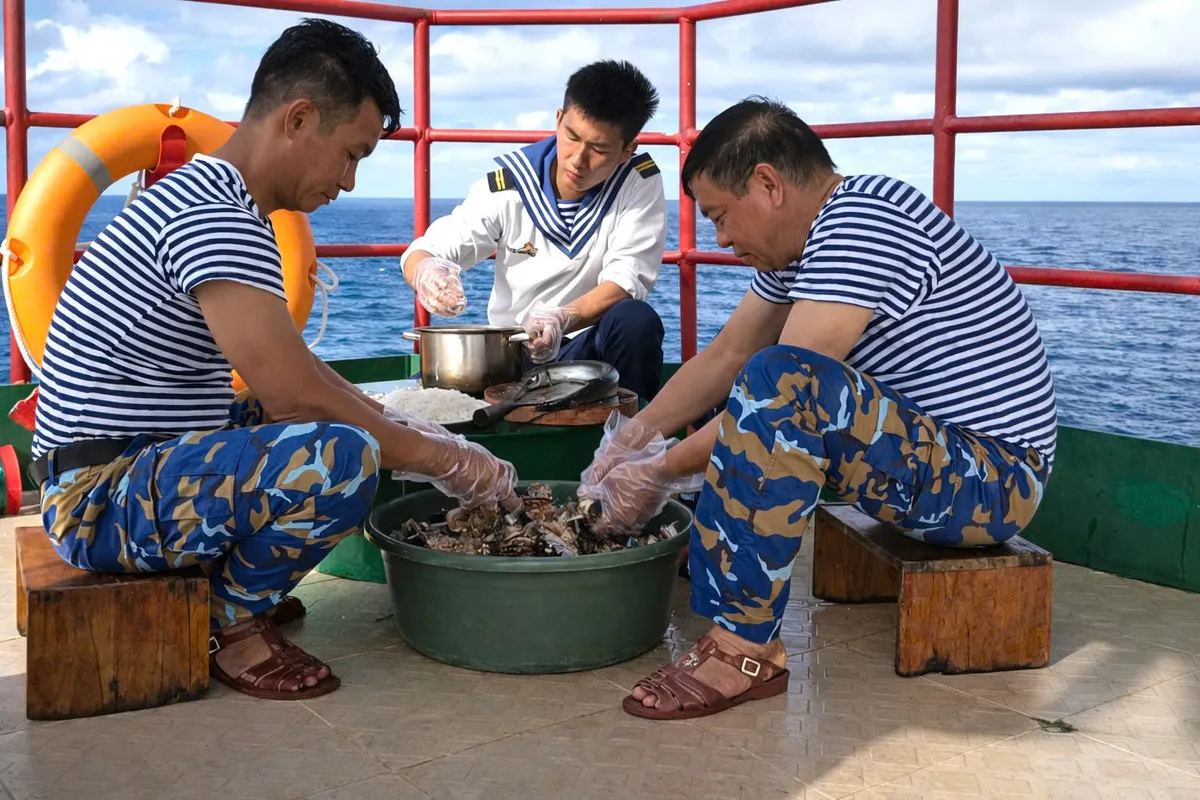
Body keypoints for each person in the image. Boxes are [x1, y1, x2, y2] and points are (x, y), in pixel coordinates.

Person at [30, 19, 520, 702]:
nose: (348, 182)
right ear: (298, 119)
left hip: (132, 463)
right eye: (351, 154)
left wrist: (403, 425)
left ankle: (228, 579)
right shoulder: (214, 215)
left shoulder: (217, 201)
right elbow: (296, 396)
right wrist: (441, 458)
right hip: (97, 502)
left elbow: (300, 373)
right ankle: (226, 621)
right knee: (343, 456)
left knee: (345, 422)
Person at [578, 97, 1059, 720]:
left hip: (994, 483)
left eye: (722, 216)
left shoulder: (864, 219)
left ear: (768, 184)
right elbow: (725, 358)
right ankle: (718, 573)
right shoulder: (808, 244)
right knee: (768, 377)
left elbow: (781, 395)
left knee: (785, 383)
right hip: (932, 463)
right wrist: (631, 438)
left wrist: (658, 470)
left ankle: (745, 648)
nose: (721, 239)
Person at [401, 59, 669, 402]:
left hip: (588, 353)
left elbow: (626, 281)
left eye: (599, 149)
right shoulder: (510, 184)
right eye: (572, 137)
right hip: (514, 355)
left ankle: (630, 442)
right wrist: (428, 271)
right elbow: (430, 248)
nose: (578, 159)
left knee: (636, 321)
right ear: (558, 120)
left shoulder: (638, 183)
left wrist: (562, 318)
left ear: (627, 150)